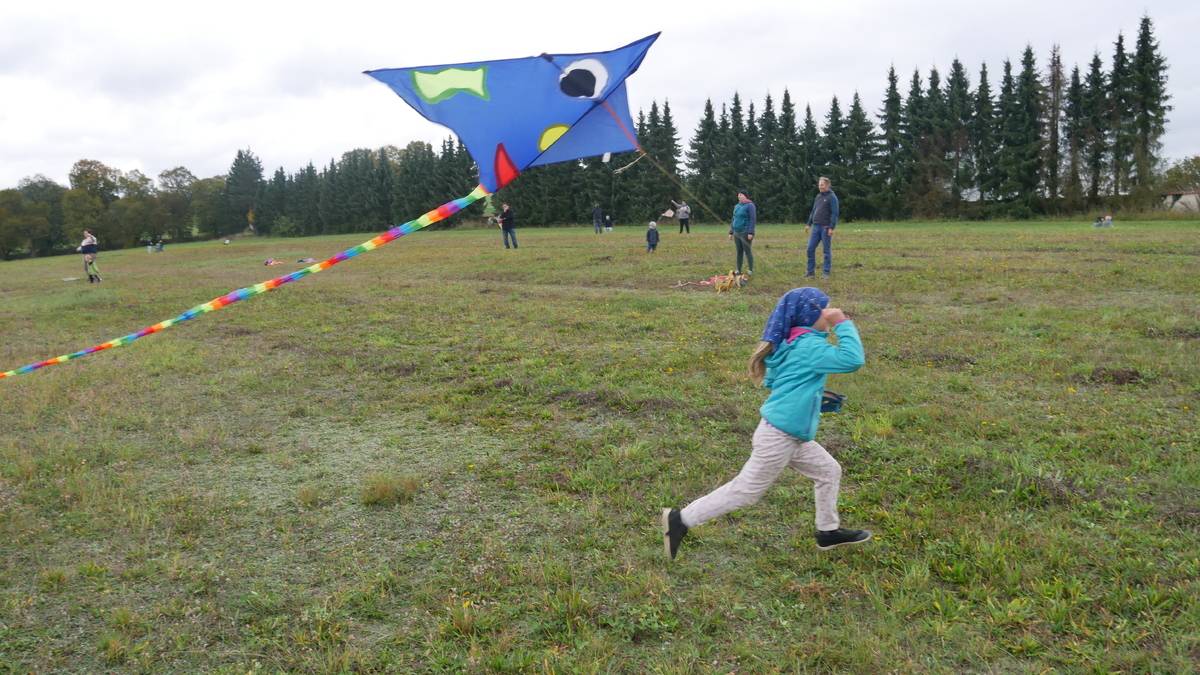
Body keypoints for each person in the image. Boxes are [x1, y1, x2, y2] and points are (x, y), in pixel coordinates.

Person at [661, 287, 870, 560]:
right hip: (780, 437)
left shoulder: (793, 342)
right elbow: (852, 360)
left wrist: (809, 399)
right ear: (809, 316)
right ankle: (680, 520)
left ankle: (827, 531)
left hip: (790, 434)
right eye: (824, 308)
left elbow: (778, 380)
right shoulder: (809, 346)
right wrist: (841, 322)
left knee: (829, 471)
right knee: (746, 491)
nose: (829, 312)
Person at [806, 177, 839, 278]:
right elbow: (813, 211)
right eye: (819, 185)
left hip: (825, 228)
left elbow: (835, 213)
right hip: (815, 227)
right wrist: (808, 224)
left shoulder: (832, 197)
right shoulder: (818, 196)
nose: (820, 186)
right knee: (810, 249)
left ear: (827, 185)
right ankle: (810, 272)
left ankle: (826, 272)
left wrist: (831, 227)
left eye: (822, 185)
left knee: (826, 251)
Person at [728, 190, 756, 275]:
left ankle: (750, 270)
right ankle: (738, 270)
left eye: (741, 195)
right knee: (739, 251)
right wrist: (731, 232)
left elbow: (752, 219)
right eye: (738, 195)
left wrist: (750, 232)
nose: (739, 196)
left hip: (745, 232)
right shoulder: (736, 206)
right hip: (736, 232)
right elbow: (734, 219)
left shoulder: (750, 205)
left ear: (745, 196)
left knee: (747, 251)